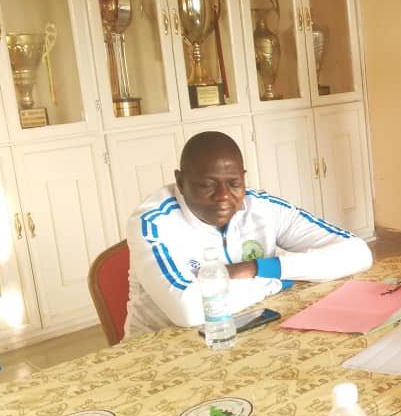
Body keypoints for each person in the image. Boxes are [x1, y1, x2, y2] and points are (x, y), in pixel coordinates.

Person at [126, 131, 372, 337]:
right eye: (208, 185)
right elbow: (189, 310)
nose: (224, 196)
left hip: (249, 330)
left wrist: (257, 267)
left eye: (234, 184)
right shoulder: (152, 222)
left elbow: (358, 253)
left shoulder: (260, 206)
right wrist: (279, 280)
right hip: (158, 350)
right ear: (180, 182)